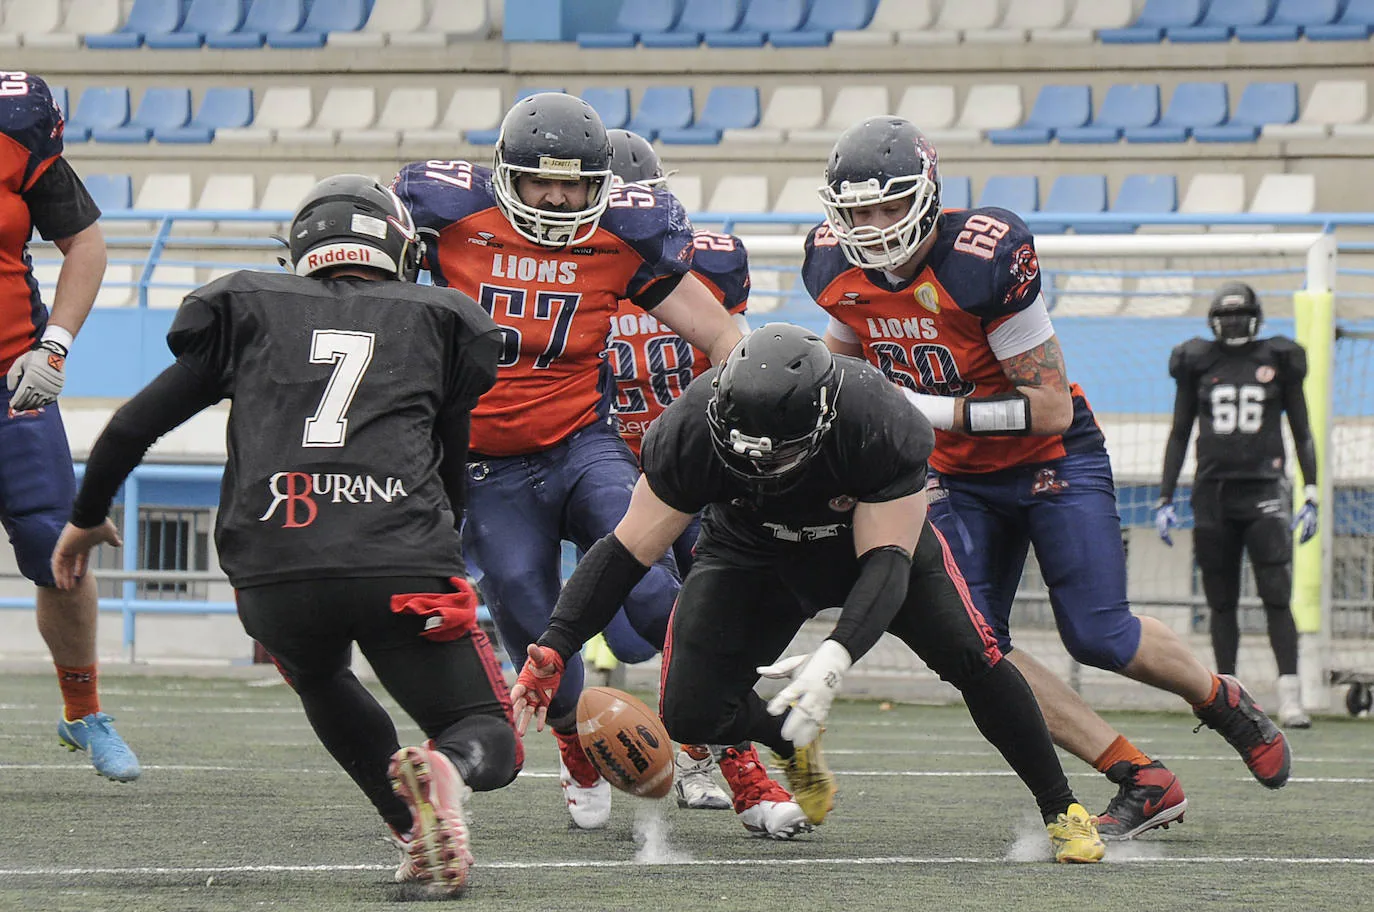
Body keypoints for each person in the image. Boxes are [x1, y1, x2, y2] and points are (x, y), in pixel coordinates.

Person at [806, 116, 1291, 841]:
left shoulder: (983, 258)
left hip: (1051, 459)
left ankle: (1218, 698)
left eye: (888, 206)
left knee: (1099, 632)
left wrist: (925, 408)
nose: (873, 228)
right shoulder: (832, 269)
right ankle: (1139, 774)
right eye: (857, 212)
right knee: (976, 648)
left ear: (928, 196)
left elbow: (1049, 407)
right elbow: (845, 370)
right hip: (955, 479)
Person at [50, 175, 516, 896]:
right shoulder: (440, 318)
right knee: (487, 733)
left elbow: (130, 427)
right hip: (398, 556)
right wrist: (438, 558)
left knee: (319, 674)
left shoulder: (248, 308)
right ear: (398, 246)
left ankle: (408, 827)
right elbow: (450, 477)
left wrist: (84, 520)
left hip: (274, 567)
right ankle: (447, 768)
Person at [510, 324, 1105, 861]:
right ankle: (789, 741)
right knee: (689, 710)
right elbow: (625, 550)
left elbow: (888, 559)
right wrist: (554, 646)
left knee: (975, 659)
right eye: (742, 449)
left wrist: (837, 654)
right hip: (752, 551)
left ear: (822, 423)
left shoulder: (879, 419)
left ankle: (1062, 807)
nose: (761, 464)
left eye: (781, 451)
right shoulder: (688, 430)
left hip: (866, 551)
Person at [392, 93, 742, 830]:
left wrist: (727, 415)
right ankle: (577, 749)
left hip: (583, 441)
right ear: (502, 176)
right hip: (484, 462)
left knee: (654, 599)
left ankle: (735, 751)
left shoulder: (622, 235)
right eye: (539, 181)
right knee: (526, 608)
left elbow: (722, 334)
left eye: (574, 183)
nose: (556, 197)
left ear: (601, 185)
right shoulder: (448, 216)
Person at [599, 128, 751, 811]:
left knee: (707, 618)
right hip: (609, 467)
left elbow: (730, 359)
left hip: (694, 463)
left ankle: (705, 755)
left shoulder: (701, 264)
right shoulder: (568, 267)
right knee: (634, 632)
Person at [0, 71, 138, 781]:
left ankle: (82, 712)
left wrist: (54, 343)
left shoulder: (16, 131)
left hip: (11, 386)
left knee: (60, 551)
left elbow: (84, 242)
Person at [1157, 283, 1317, 729]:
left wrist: (1312, 490)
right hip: (1213, 492)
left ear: (1256, 316)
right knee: (1220, 599)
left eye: (1239, 314)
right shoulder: (1196, 361)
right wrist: (1165, 494)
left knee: (1276, 594)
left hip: (1265, 487)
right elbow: (1179, 431)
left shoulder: (1279, 358)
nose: (1231, 322)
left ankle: (1291, 695)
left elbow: (1302, 430)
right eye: (1225, 315)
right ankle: (1228, 696)